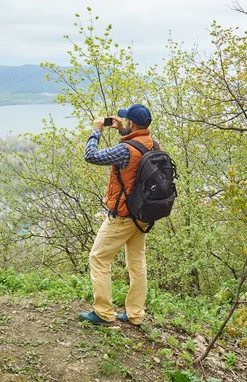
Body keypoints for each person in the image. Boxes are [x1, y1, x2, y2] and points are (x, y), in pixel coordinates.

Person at [78, 103, 156, 326]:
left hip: (122, 215)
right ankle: (135, 314)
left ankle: (103, 313)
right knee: (137, 262)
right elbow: (136, 152)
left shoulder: (124, 150)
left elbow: (91, 156)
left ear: (132, 122)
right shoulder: (153, 144)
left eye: (126, 121)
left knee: (99, 258)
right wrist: (123, 131)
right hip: (142, 214)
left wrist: (97, 131)